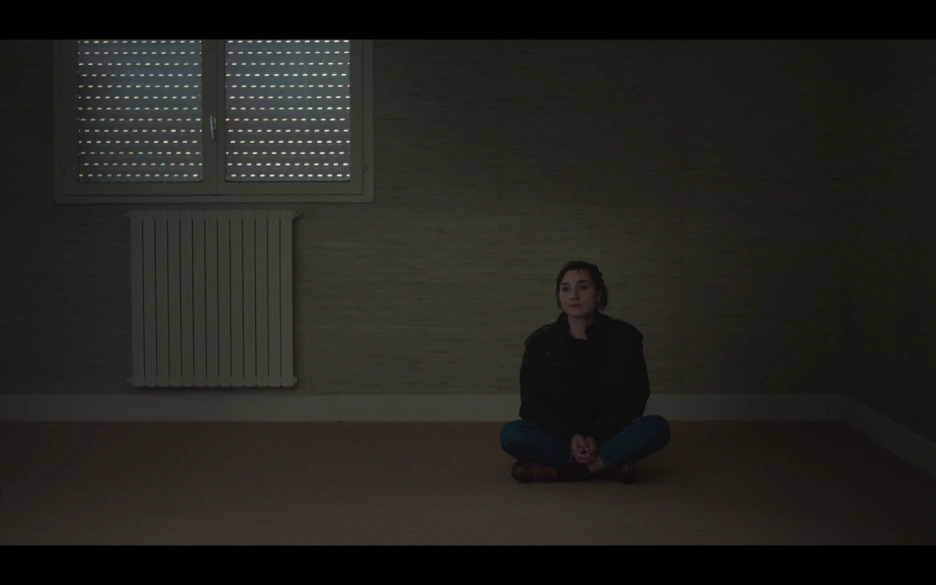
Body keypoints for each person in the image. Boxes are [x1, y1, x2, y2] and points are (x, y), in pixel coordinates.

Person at [500, 260, 671, 483]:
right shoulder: (541, 344)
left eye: (583, 287)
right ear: (558, 296)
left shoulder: (624, 338)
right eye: (565, 289)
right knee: (511, 434)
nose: (574, 296)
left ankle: (566, 470)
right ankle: (604, 465)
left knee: (657, 427)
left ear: (599, 293)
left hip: (608, 434)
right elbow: (532, 405)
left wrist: (596, 437)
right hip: (561, 437)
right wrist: (570, 436)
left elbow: (634, 398)